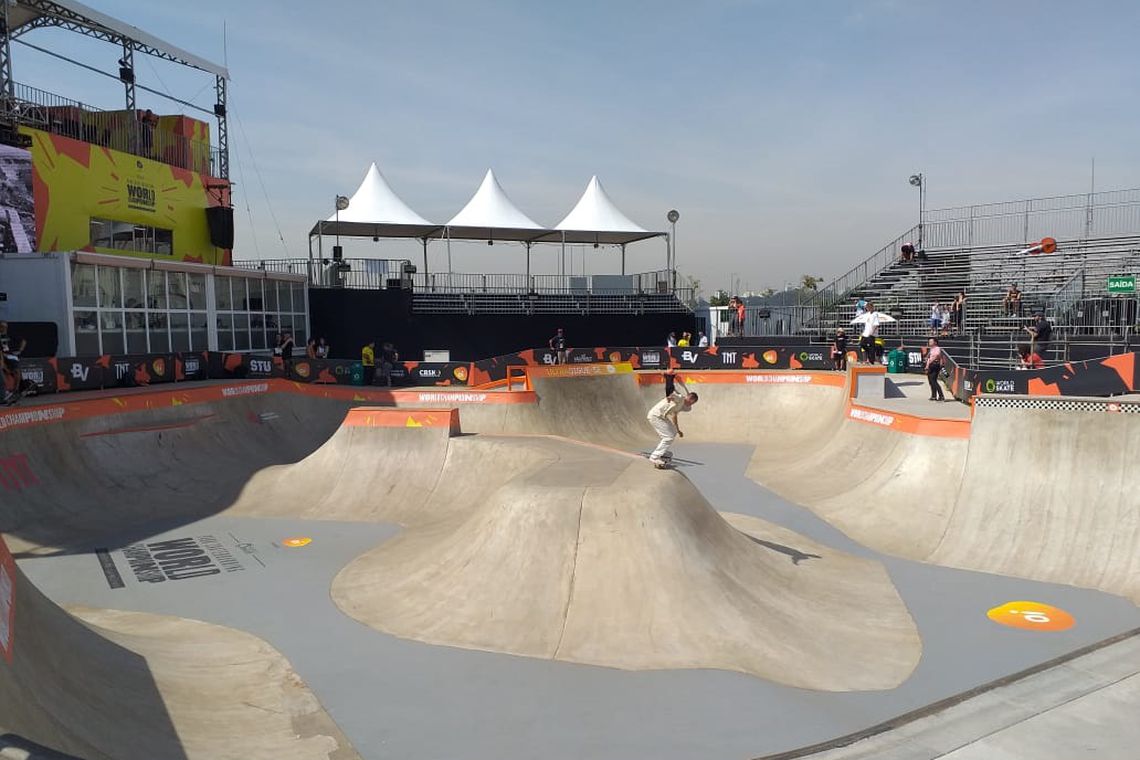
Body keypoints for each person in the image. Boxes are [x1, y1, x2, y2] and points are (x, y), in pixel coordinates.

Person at [646, 376, 698, 469]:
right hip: (656, 416)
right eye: (691, 403)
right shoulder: (681, 398)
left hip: (662, 417)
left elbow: (674, 416)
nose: (690, 405)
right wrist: (669, 378)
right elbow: (671, 391)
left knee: (672, 432)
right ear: (689, 399)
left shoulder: (682, 405)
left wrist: (677, 430)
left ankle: (662, 452)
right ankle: (654, 457)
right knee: (668, 437)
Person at [1, 321, 26, 402]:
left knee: (17, 371)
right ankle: (5, 392)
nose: (4, 328)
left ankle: (16, 390)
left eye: (5, 327)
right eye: (2, 326)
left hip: (10, 355)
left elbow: (23, 340)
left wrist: (20, 350)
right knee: (3, 368)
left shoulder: (10, 335)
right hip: (1, 355)